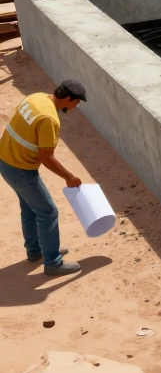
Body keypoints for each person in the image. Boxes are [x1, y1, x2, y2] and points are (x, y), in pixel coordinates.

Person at [0, 80, 88, 276]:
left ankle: (35, 251)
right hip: (21, 170)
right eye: (76, 102)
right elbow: (46, 158)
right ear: (67, 99)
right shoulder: (49, 119)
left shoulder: (36, 98)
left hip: (5, 160)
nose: (76, 107)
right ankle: (53, 262)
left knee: (30, 208)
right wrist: (69, 177)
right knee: (48, 212)